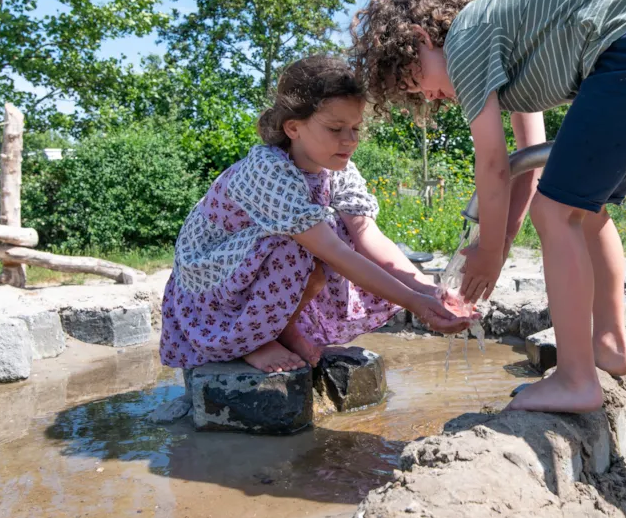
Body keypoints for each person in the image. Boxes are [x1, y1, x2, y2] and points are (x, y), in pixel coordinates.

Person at [349, 0, 626, 413]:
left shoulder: (467, 39)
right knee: (585, 208)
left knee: (557, 212)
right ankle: (609, 343)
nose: (429, 97)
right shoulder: (506, 41)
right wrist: (497, 248)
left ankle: (574, 379)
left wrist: (488, 253)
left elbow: (492, 164)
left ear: (421, 40)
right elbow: (528, 164)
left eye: (417, 81)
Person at [160, 55, 473, 374]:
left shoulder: (338, 169)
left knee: (337, 232)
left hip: (251, 266)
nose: (349, 140)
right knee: (300, 244)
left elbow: (367, 235)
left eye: (355, 128)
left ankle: (285, 329)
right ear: (293, 127)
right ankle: (253, 342)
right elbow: (333, 252)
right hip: (211, 274)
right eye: (336, 128)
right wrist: (415, 304)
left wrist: (428, 289)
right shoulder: (269, 170)